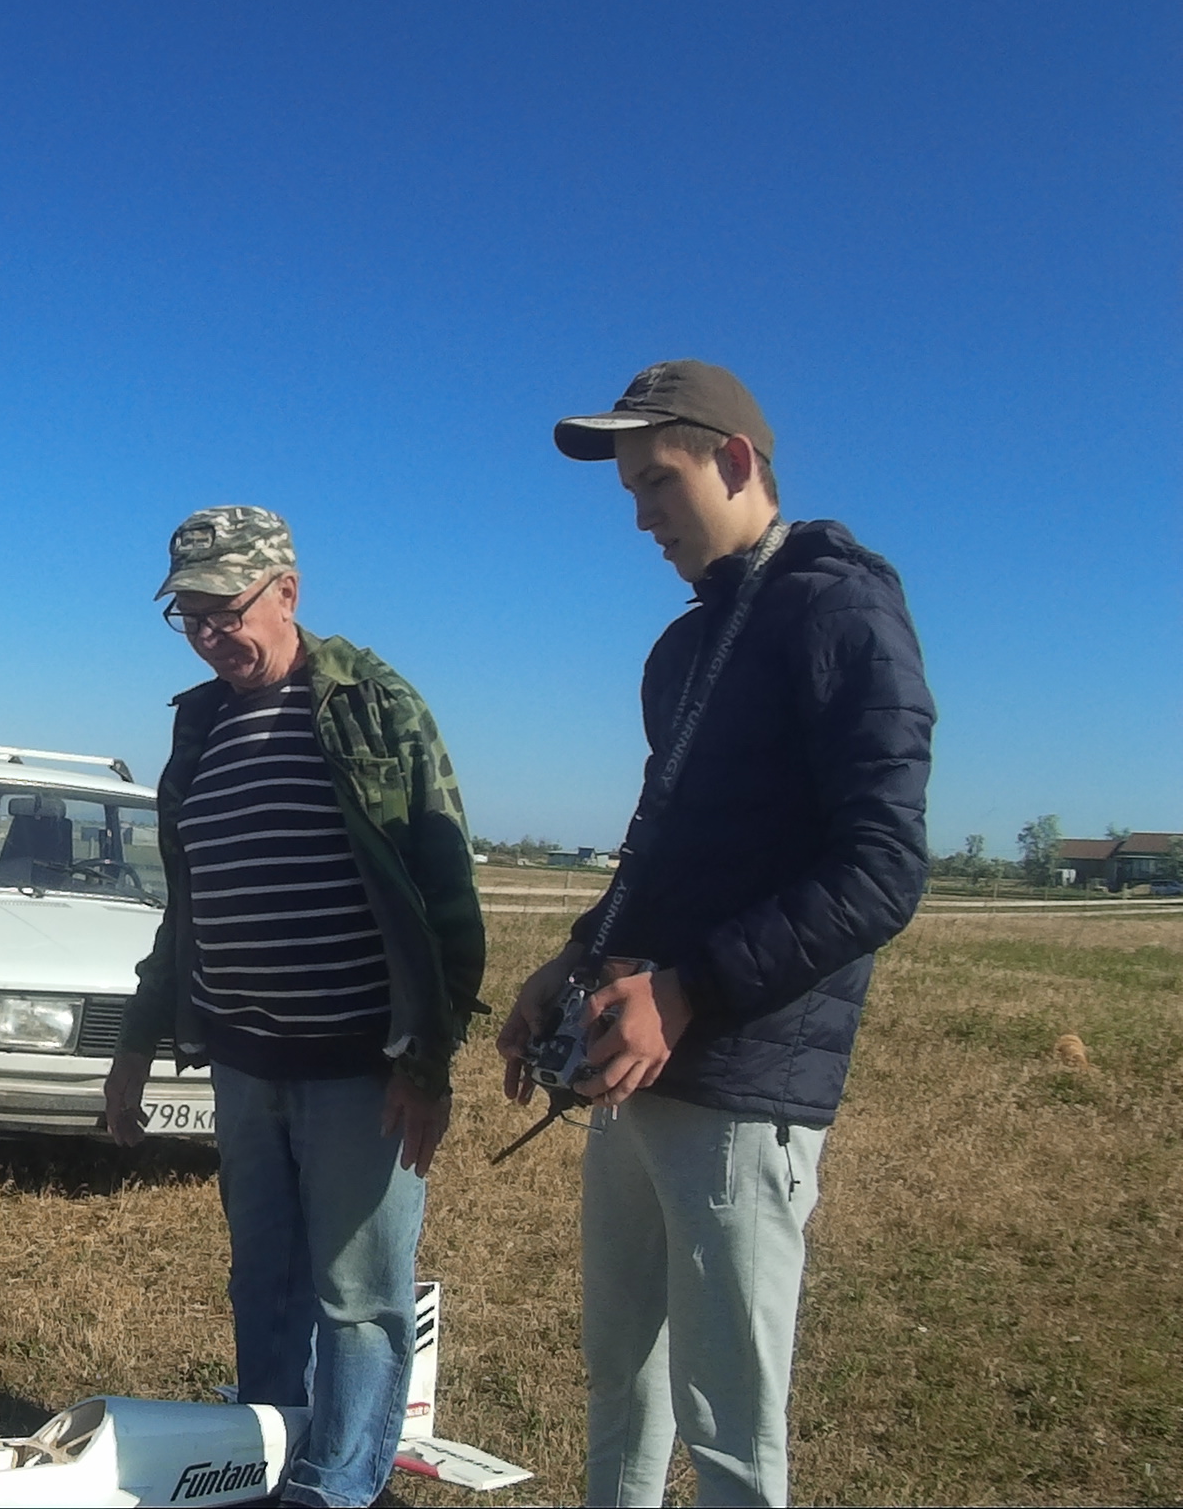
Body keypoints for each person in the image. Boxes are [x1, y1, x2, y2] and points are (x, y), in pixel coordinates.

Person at [498, 361, 934, 1507]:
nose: (642, 516)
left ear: (736, 460)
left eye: (659, 481)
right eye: (631, 491)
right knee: (618, 1379)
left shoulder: (841, 612)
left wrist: (689, 989)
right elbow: (665, 849)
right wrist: (577, 957)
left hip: (744, 1081)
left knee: (730, 1422)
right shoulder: (686, 651)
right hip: (636, 1072)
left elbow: (883, 869)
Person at [103, 505, 486, 1509]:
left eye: (224, 611)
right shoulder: (202, 724)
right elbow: (187, 909)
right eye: (188, 618)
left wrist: (427, 1063)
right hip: (242, 1062)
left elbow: (445, 893)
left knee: (357, 1299)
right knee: (264, 1283)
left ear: (287, 592)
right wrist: (136, 1046)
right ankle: (263, 1462)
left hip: (359, 1067)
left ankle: (338, 1487)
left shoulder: (373, 705)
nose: (209, 636)